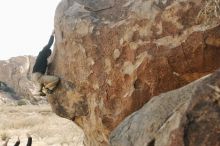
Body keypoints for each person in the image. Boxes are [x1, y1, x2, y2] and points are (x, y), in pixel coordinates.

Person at [31, 30, 59, 96]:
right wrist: (52, 34)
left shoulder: (41, 58)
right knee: (56, 79)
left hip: (34, 77)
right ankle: (46, 89)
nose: (49, 55)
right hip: (38, 76)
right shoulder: (43, 53)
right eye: (49, 54)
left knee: (41, 92)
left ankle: (39, 91)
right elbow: (49, 44)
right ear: (47, 52)